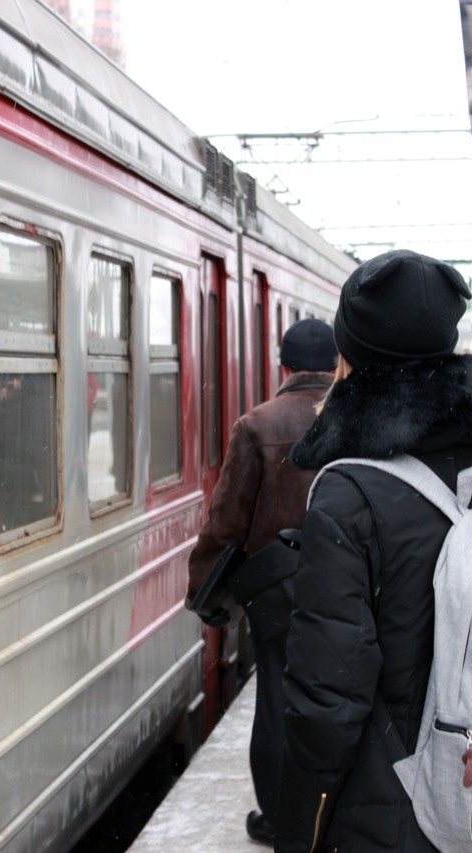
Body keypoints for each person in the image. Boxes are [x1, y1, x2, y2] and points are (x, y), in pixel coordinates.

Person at [278, 250, 472, 852]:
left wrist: (299, 827)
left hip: (390, 809)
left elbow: (328, 700)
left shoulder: (346, 492)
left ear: (352, 350)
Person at [185, 317, 340, 846]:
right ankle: (335, 815)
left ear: (284, 367)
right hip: (348, 583)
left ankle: (279, 818)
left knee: (277, 697)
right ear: (338, 365)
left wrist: (204, 589)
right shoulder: (358, 417)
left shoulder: (256, 425)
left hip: (278, 589)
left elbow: (226, 521)